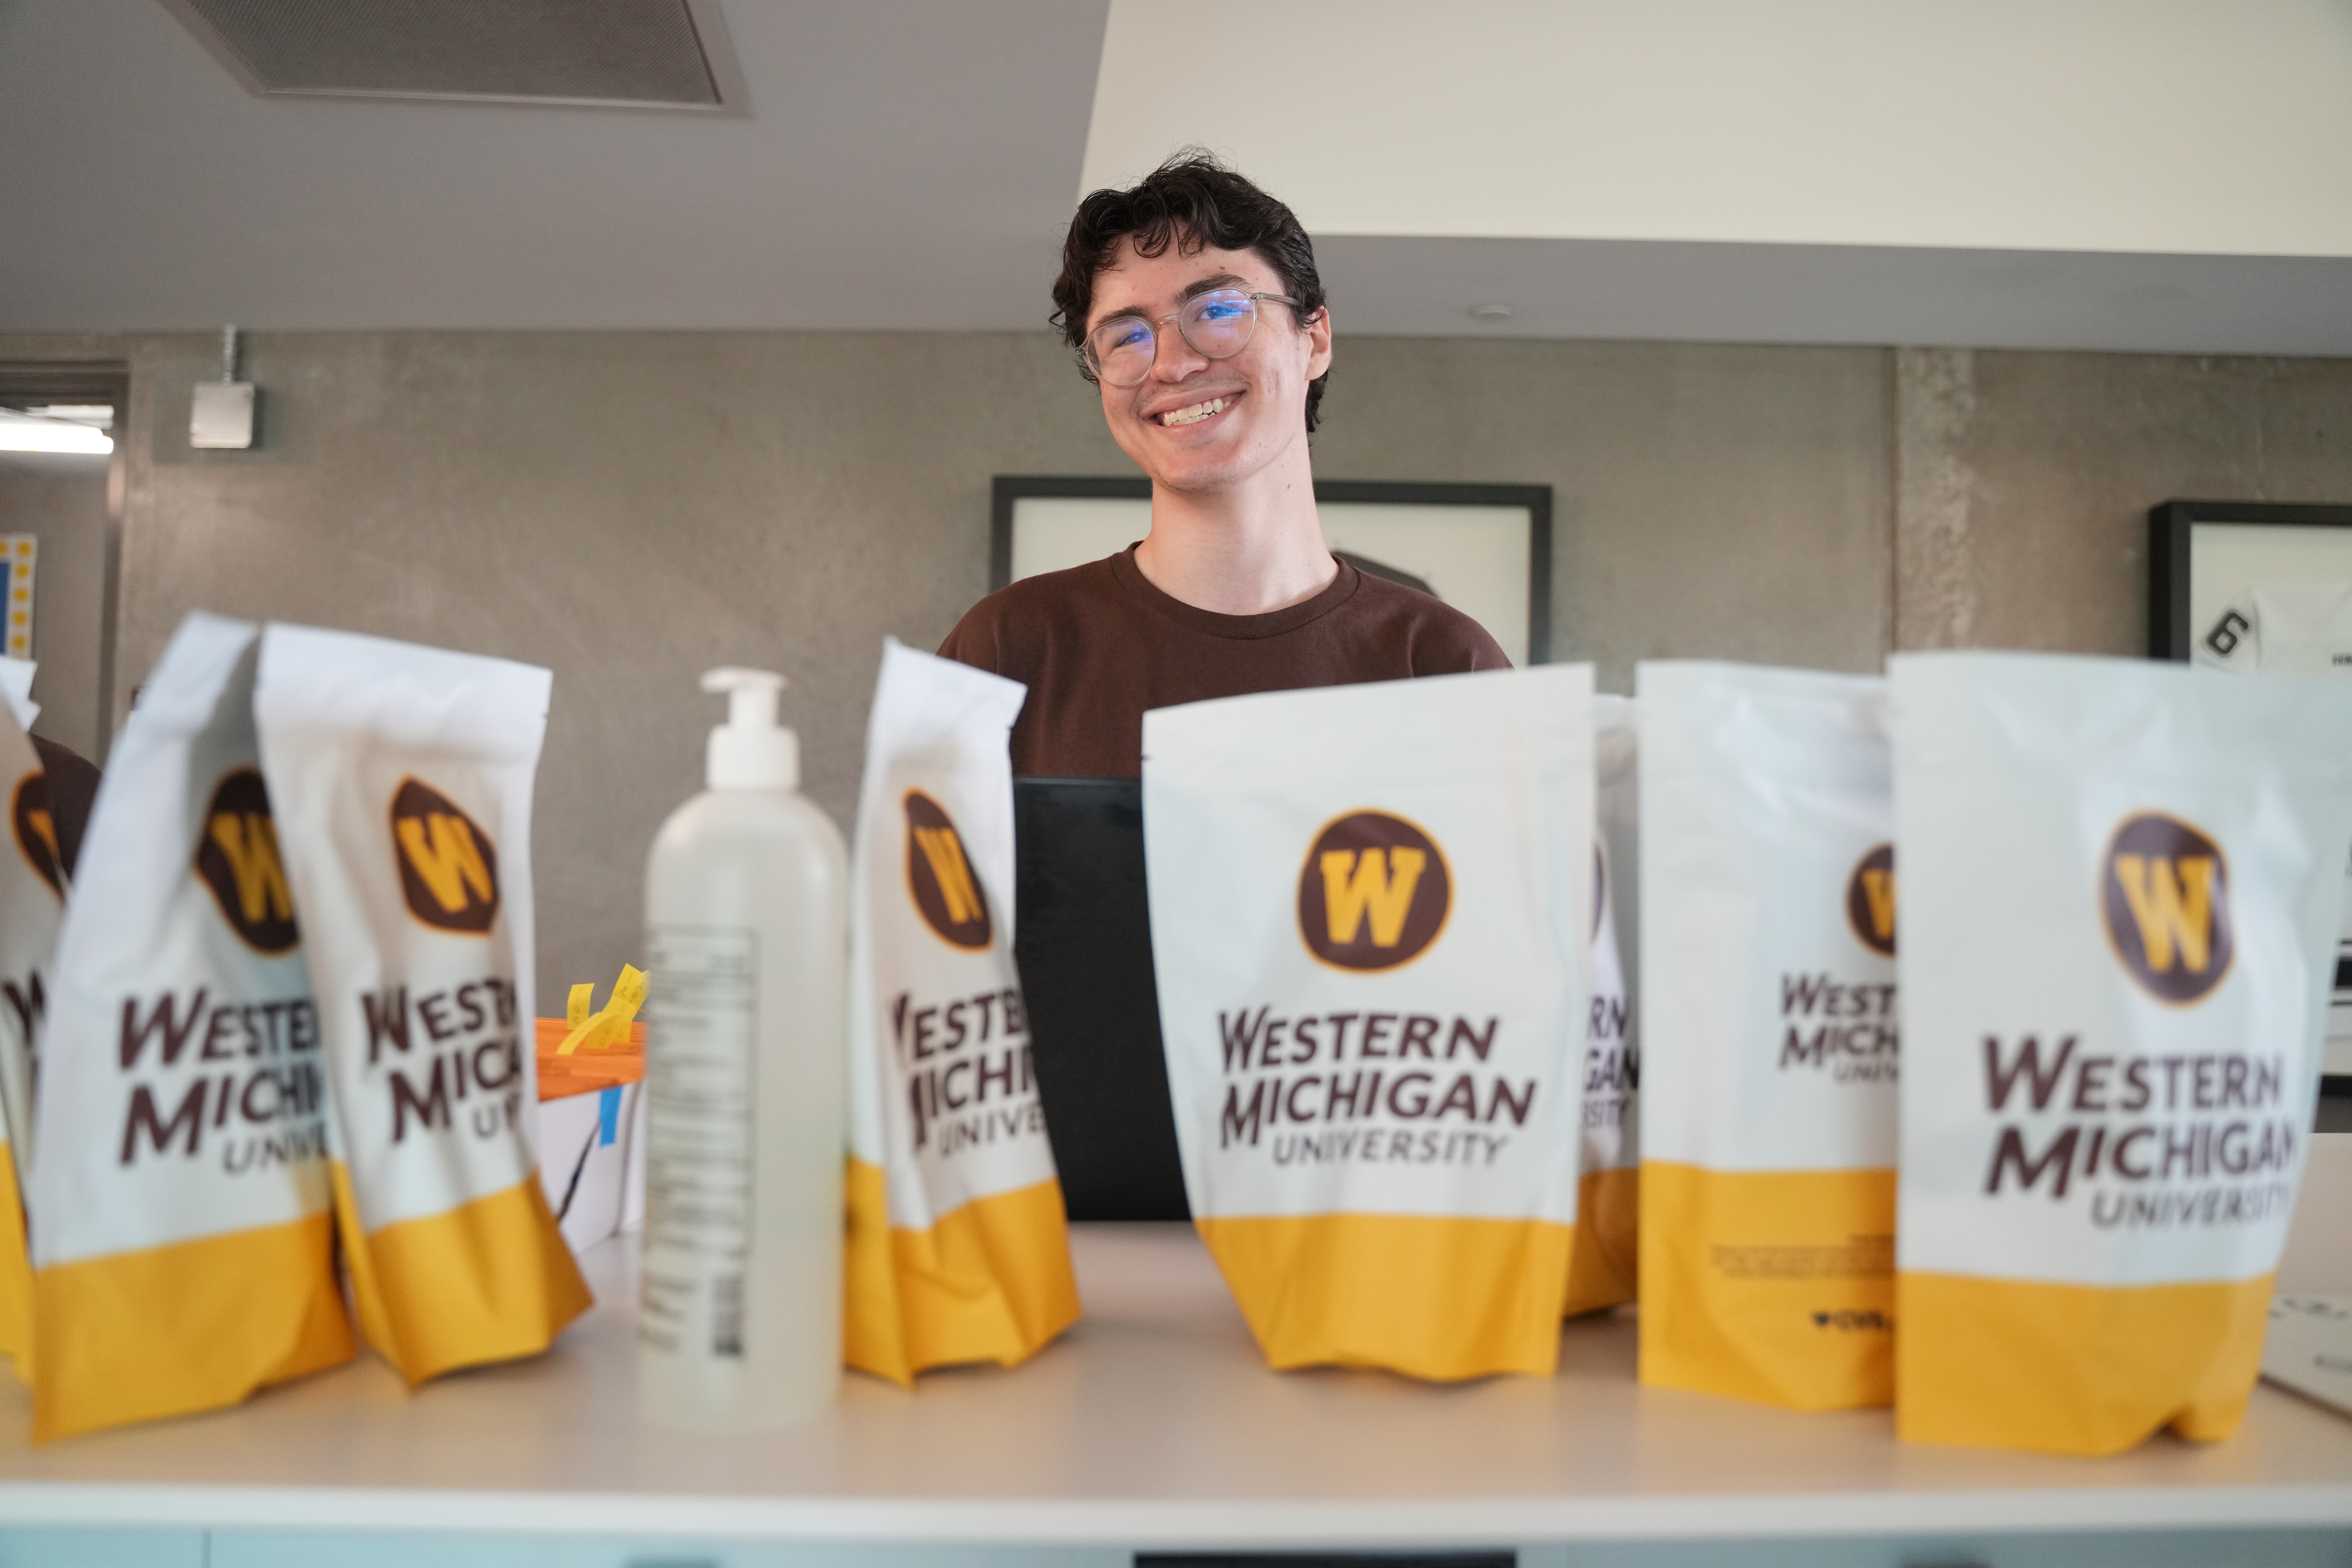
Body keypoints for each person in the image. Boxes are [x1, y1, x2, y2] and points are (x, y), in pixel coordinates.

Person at [939, 152, 1507, 775]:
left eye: (1216, 311)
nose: (1172, 365)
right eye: (1126, 336)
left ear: (1313, 339)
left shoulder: (1445, 663)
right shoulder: (1006, 652)